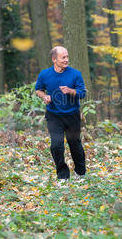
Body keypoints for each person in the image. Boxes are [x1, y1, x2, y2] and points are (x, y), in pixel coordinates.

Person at [35, 46, 87, 181]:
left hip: (72, 115)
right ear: (54, 59)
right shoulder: (45, 74)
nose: (66, 60)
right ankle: (63, 176)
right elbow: (38, 90)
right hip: (54, 115)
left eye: (67, 57)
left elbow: (82, 93)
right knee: (56, 146)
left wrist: (70, 91)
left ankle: (80, 173)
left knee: (75, 145)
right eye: (63, 57)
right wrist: (44, 97)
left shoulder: (75, 74)